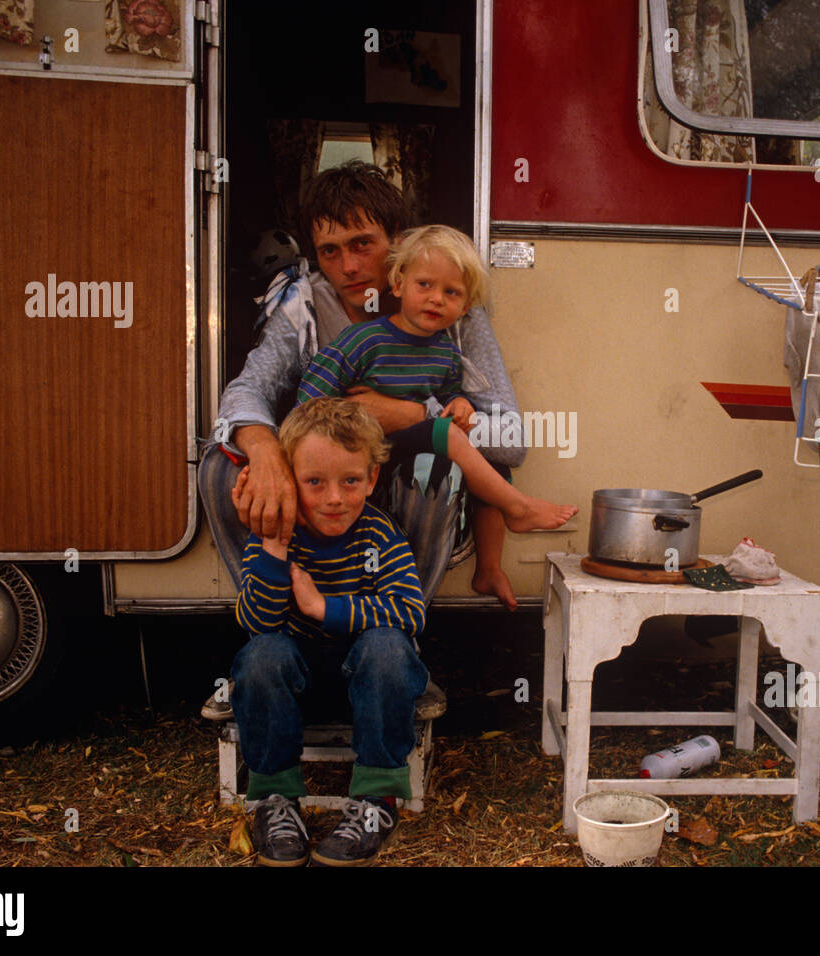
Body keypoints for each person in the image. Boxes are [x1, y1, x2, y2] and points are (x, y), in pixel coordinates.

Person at [201, 161, 527, 608]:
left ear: (396, 240)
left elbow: (511, 440)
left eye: (362, 244)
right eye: (330, 251)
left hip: (400, 480)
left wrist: (416, 417)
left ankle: (396, 633)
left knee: (432, 469)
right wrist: (265, 450)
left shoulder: (448, 306)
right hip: (327, 481)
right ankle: (274, 624)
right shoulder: (307, 305)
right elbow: (248, 388)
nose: (349, 266)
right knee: (221, 466)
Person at [234, 398, 428, 867]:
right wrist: (276, 549)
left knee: (388, 646)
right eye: (314, 482)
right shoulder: (272, 535)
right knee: (261, 655)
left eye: (350, 481)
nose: (334, 498)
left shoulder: (378, 536)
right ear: (289, 480)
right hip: (295, 689)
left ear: (372, 479)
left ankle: (376, 801)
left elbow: (409, 612)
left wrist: (324, 608)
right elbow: (256, 624)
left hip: (371, 690)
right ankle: (274, 800)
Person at [291, 224, 576, 539]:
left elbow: (448, 395)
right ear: (398, 285)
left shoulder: (446, 353)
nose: (436, 299)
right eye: (424, 284)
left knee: (492, 464)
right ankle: (519, 508)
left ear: (465, 306)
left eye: (451, 292)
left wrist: (461, 403)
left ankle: (489, 569)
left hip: (406, 452)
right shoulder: (363, 340)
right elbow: (309, 402)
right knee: (449, 435)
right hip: (359, 453)